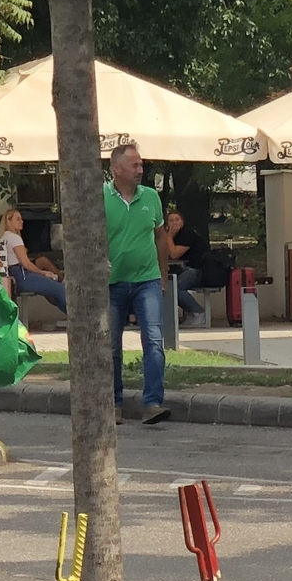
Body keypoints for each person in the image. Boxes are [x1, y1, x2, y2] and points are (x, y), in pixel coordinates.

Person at [103, 142, 171, 424]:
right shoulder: (100, 197)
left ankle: (153, 402)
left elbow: (160, 238)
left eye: (141, 164)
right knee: (111, 345)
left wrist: (163, 277)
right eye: (135, 165)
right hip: (111, 282)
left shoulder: (151, 197)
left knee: (154, 340)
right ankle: (114, 404)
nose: (141, 170)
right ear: (116, 169)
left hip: (147, 280)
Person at [0, 206, 66, 314]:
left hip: (13, 275)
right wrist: (43, 273)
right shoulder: (14, 238)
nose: (22, 221)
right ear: (9, 221)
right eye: (17, 219)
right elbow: (26, 264)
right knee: (59, 289)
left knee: (53, 289)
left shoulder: (4, 236)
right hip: (21, 276)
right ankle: (77, 316)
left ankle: (69, 313)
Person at [163, 208, 209, 321]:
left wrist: (168, 236)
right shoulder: (172, 236)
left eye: (177, 220)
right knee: (165, 284)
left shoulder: (187, 234)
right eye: (171, 220)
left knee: (175, 289)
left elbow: (174, 254)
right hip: (182, 268)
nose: (174, 223)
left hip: (198, 269)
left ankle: (198, 312)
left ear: (182, 222)